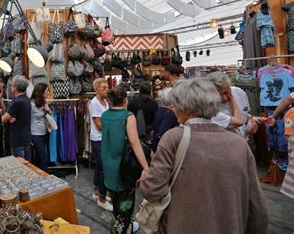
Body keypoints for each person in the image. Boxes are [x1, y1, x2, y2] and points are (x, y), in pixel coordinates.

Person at [140, 78, 268, 233]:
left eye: (176, 105)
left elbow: (153, 190)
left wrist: (146, 177)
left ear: (186, 108)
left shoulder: (173, 138)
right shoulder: (238, 143)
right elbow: (256, 205)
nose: (173, 109)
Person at [101, 86, 149, 233]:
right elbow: (134, 142)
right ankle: (123, 228)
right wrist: (146, 167)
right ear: (125, 100)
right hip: (123, 167)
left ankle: (123, 226)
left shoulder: (104, 115)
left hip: (108, 164)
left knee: (116, 202)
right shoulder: (128, 116)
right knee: (125, 205)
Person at [88, 78, 112, 211]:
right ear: (97, 89)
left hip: (103, 138)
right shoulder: (94, 103)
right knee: (104, 167)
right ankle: (102, 199)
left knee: (100, 165)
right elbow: (99, 125)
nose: (107, 89)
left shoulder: (105, 102)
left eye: (107, 87)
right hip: (98, 138)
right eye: (104, 87)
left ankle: (96, 191)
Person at [1, 75, 32, 160]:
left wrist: (7, 116)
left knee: (20, 167)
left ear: (15, 87)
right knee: (26, 165)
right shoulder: (26, 99)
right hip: (26, 138)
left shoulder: (17, 102)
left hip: (17, 140)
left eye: (11, 85)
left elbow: (3, 119)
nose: (10, 88)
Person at [30, 83, 52, 171]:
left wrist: (48, 110)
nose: (48, 93)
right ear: (41, 93)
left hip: (44, 133)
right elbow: (27, 120)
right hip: (35, 135)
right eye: (47, 91)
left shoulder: (43, 102)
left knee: (40, 157)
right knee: (43, 157)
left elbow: (50, 114)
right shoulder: (31, 104)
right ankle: (45, 178)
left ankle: (40, 176)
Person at [0, 77, 7, 157]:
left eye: (2, 88)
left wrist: (0, 99)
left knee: (0, 146)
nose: (1, 90)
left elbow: (3, 110)